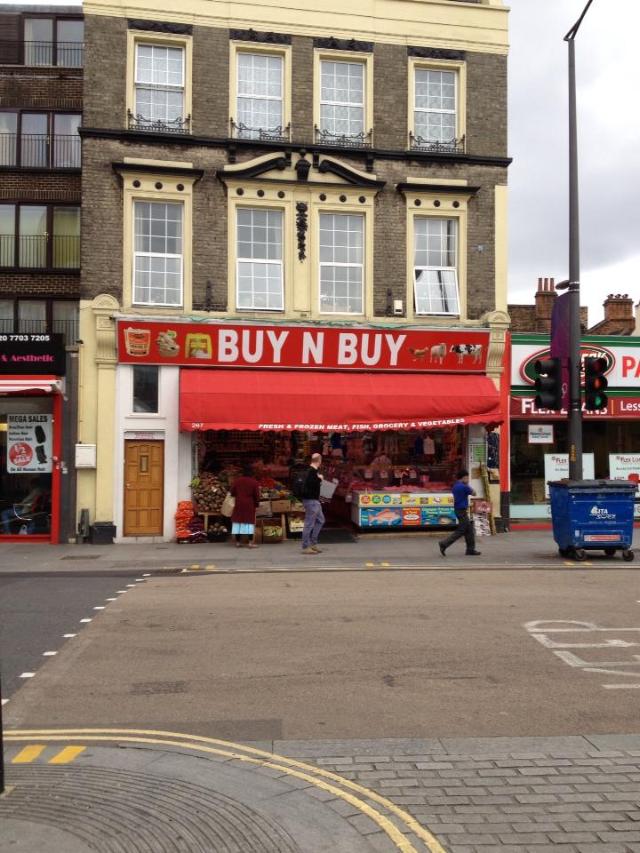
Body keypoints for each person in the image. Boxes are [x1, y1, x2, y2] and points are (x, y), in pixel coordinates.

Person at [438, 469, 481, 557]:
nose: (468, 480)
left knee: (469, 530)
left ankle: (470, 550)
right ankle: (444, 543)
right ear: (464, 477)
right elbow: (474, 493)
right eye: (467, 478)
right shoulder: (464, 486)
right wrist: (468, 485)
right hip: (462, 511)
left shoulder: (455, 486)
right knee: (461, 530)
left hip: (457, 509)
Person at [230, 464, 260, 548]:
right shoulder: (254, 482)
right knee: (249, 523)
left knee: (238, 522)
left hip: (239, 503)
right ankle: (250, 543)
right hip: (249, 504)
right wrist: (257, 504)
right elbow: (257, 495)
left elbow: (232, 492)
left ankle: (238, 542)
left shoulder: (237, 481)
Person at [301, 452, 325, 555]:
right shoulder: (312, 472)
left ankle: (313, 543)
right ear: (319, 461)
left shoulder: (311, 471)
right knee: (309, 523)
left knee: (320, 520)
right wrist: (320, 479)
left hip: (313, 501)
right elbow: (312, 485)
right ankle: (306, 546)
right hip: (311, 501)